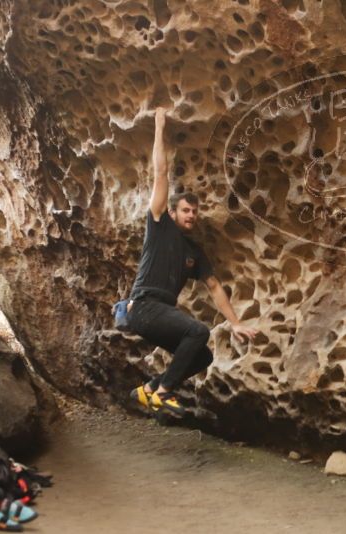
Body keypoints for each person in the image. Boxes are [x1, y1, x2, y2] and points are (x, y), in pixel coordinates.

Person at [124, 107, 257, 416]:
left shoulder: (194, 252)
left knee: (202, 358)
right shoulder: (159, 225)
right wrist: (159, 128)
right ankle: (165, 392)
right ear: (172, 212)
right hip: (144, 306)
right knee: (198, 331)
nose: (191, 216)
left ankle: (150, 389)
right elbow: (160, 173)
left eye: (195, 212)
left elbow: (214, 287)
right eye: (186, 211)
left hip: (160, 314)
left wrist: (235, 323)